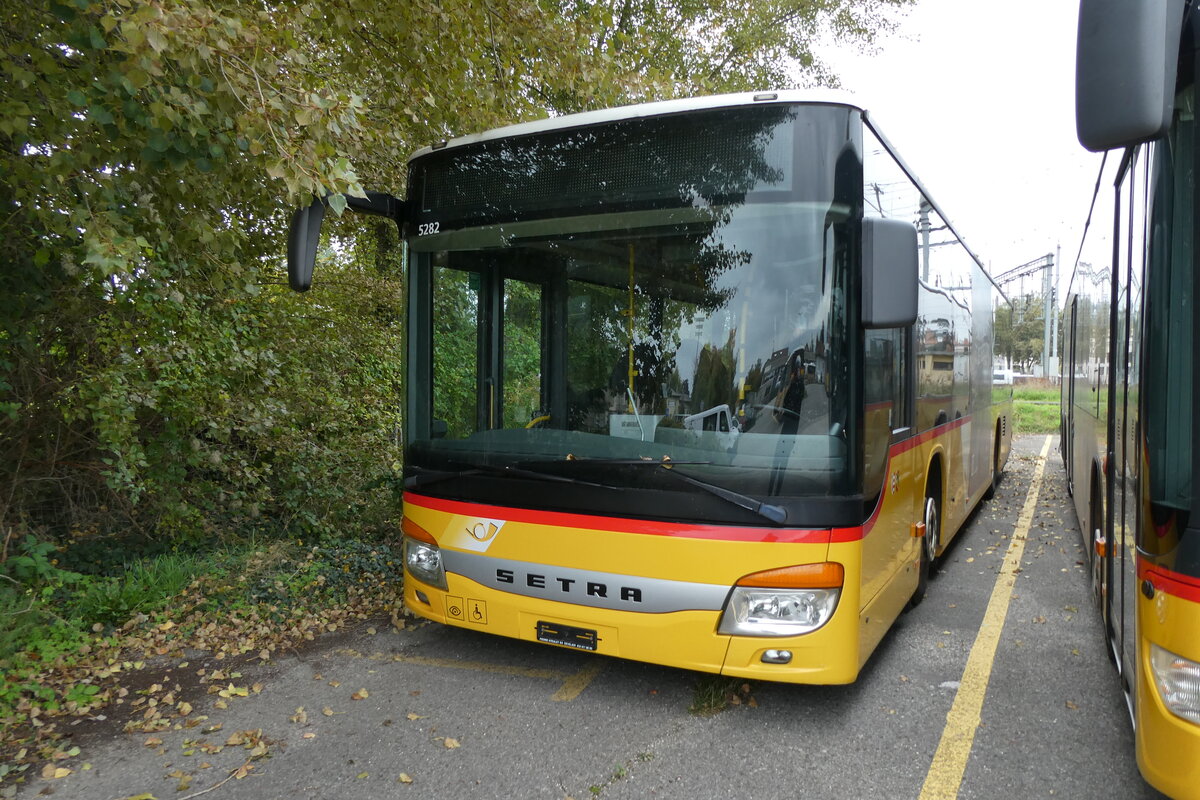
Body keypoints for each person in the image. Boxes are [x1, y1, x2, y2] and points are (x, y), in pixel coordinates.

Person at [773, 351, 807, 436]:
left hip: (795, 415)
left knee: (790, 435)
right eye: (797, 369)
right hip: (788, 414)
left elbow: (802, 396)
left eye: (799, 369)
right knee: (785, 435)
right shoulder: (789, 382)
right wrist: (781, 408)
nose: (798, 371)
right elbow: (785, 397)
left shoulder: (799, 383)